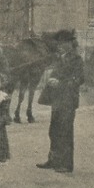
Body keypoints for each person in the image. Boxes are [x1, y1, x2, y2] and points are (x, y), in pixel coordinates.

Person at [37, 31, 84, 173]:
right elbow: (54, 74)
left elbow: (79, 79)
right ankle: (53, 160)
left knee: (66, 131)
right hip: (57, 100)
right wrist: (51, 80)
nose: (61, 46)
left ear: (71, 44)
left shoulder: (77, 59)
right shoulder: (58, 59)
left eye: (64, 43)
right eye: (60, 43)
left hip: (68, 100)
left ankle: (67, 164)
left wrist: (60, 83)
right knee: (54, 130)